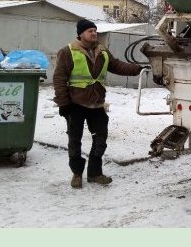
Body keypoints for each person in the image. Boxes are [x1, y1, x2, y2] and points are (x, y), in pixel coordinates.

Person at [53, 19, 143, 189]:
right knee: (75, 141)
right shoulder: (68, 52)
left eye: (95, 30)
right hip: (75, 104)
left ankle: (95, 173)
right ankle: (77, 174)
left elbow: (116, 65)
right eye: (89, 31)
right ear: (80, 34)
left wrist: (137, 68)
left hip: (96, 104)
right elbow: (59, 79)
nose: (94, 33)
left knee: (100, 139)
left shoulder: (102, 51)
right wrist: (63, 104)